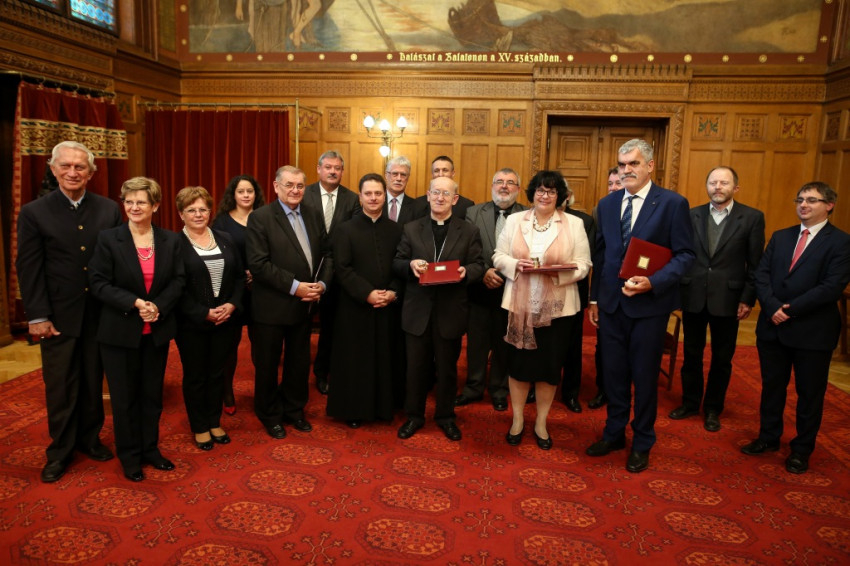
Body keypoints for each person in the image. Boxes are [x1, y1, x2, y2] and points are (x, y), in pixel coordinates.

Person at [15, 141, 122, 483]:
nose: (73, 172)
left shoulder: (108, 209)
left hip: (99, 314)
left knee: (92, 381)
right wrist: (37, 316)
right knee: (61, 386)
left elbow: (118, 262)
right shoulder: (34, 212)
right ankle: (60, 450)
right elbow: (29, 268)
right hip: (57, 316)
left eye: (80, 167)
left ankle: (90, 439)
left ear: (91, 173)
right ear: (53, 169)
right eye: (66, 166)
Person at [586, 139, 695, 473]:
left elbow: (685, 255)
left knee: (645, 378)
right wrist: (594, 298)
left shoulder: (672, 203)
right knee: (613, 374)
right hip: (611, 305)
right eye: (622, 165)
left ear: (650, 166)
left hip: (649, 306)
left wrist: (654, 282)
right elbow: (601, 256)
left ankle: (643, 441)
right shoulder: (607, 204)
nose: (626, 170)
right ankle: (614, 433)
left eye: (633, 164)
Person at [743, 182, 850, 474]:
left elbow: (831, 286)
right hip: (773, 328)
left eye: (812, 200)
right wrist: (771, 307)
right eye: (800, 199)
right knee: (772, 388)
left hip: (812, 332)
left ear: (829, 205)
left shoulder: (841, 242)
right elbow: (761, 275)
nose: (803, 204)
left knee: (809, 395)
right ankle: (768, 437)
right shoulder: (781, 236)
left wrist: (788, 310)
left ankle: (801, 450)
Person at [89, 177, 185, 482]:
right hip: (119, 332)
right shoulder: (109, 239)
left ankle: (150, 450)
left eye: (140, 202)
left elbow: (179, 280)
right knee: (124, 399)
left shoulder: (170, 240)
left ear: (155, 205)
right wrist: (135, 303)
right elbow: (98, 283)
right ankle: (129, 456)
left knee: (151, 396)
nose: (133, 207)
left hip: (155, 332)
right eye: (128, 201)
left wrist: (158, 306)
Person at [493, 171, 591, 449]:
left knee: (549, 369)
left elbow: (584, 264)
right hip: (519, 307)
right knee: (518, 367)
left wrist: (558, 272)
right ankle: (517, 420)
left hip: (558, 310)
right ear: (532, 193)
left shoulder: (574, 224)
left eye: (551, 191)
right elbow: (498, 256)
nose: (544, 195)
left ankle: (541, 422)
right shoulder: (515, 220)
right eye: (540, 190)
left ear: (560, 196)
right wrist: (515, 265)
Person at [672, 166, 765, 431]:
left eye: (724, 183)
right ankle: (690, 403)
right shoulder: (691, 215)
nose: (718, 187)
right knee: (691, 354)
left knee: (722, 359)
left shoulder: (751, 218)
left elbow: (755, 264)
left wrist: (748, 298)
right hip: (693, 295)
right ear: (707, 186)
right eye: (713, 183)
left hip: (729, 298)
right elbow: (680, 254)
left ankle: (713, 408)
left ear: (735, 188)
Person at [394, 175, 485, 441]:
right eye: (436, 192)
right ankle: (414, 416)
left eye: (446, 194)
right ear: (428, 195)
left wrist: (466, 272)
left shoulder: (469, 231)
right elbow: (397, 261)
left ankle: (445, 417)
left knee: (447, 370)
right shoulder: (411, 228)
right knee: (415, 369)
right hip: (418, 311)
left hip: (450, 310)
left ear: (455, 199)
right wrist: (411, 265)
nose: (440, 198)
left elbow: (479, 265)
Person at [246, 165, 332, 439]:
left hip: (305, 305)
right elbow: (258, 264)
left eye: (300, 186)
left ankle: (295, 410)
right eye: (289, 185)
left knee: (298, 363)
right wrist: (296, 288)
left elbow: (327, 254)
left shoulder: (313, 214)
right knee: (268, 365)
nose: (295, 190)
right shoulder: (260, 218)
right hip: (271, 307)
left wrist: (322, 285)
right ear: (275, 187)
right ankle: (270, 414)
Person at [326, 173, 404, 427]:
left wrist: (392, 292)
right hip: (355, 306)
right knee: (356, 360)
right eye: (368, 193)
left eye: (378, 193)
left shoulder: (396, 229)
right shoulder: (345, 229)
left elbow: (400, 266)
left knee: (385, 357)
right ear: (360, 197)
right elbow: (342, 268)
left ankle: (384, 408)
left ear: (385, 196)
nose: (373, 198)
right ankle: (354, 410)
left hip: (387, 306)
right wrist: (367, 294)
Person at [175, 186, 245, 450]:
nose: (198, 214)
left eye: (203, 209)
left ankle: (214, 421)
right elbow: (175, 287)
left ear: (210, 211)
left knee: (217, 373)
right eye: (191, 210)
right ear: (181, 214)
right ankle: (199, 426)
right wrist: (203, 313)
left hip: (225, 320)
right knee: (196, 375)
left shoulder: (225, 238)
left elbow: (239, 277)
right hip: (191, 323)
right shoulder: (174, 244)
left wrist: (232, 305)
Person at [457, 168, 527, 412]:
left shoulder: (527, 215)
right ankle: (473, 387)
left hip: (512, 290)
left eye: (510, 182)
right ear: (492, 186)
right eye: (499, 181)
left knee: (503, 344)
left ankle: (499, 389)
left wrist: (505, 272)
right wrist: (485, 271)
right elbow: (466, 247)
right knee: (476, 344)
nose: (504, 186)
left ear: (518, 189)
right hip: (479, 288)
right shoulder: (474, 212)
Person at [303, 151, 360, 395]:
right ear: (319, 169)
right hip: (306, 270)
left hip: (338, 274)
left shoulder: (352, 199)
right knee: (300, 328)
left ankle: (323, 373)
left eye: (337, 168)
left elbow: (354, 233)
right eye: (328, 167)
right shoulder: (304, 194)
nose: (333, 171)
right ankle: (298, 374)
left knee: (331, 328)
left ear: (342, 171)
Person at [213, 174, 266, 416]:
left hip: (261, 290)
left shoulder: (265, 217)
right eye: (241, 191)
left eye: (250, 191)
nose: (246, 195)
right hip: (232, 291)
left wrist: (258, 273)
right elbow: (217, 255)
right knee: (229, 346)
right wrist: (241, 273)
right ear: (233, 195)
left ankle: (263, 393)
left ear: (256, 194)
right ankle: (226, 392)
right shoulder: (222, 222)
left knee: (261, 346)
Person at [587, 167, 624, 410]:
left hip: (639, 290)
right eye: (610, 184)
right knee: (604, 347)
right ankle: (603, 390)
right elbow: (598, 257)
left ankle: (625, 390)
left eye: (618, 183)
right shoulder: (601, 209)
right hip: (608, 292)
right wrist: (594, 298)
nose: (613, 188)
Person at [559, 181, 596, 413]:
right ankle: (538, 385)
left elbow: (586, 257)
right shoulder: (536, 218)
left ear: (568, 195)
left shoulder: (584, 221)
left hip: (573, 290)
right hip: (542, 292)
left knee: (572, 346)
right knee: (543, 344)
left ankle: (570, 393)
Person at [384, 156, 427, 224]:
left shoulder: (418, 207)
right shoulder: (375, 202)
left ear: (408, 177)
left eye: (403, 175)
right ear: (386, 175)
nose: (399, 179)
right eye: (395, 174)